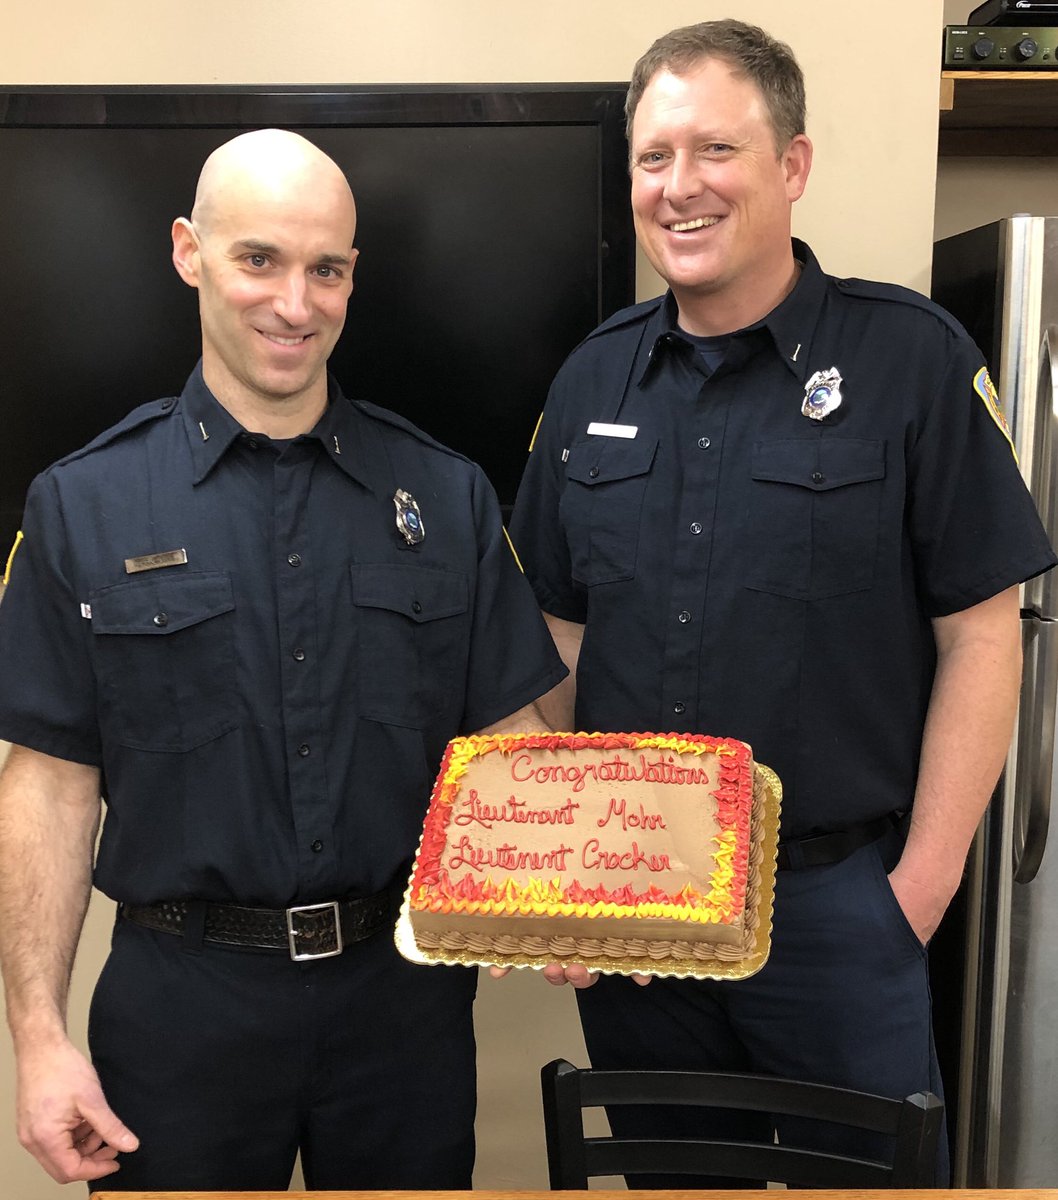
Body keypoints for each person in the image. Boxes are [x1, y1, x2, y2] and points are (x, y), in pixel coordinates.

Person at [508, 18, 1057, 1184]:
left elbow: (979, 632)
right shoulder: (590, 377)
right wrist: (563, 874)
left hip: (836, 910)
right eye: (652, 158)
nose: (678, 187)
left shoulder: (908, 360)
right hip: (643, 919)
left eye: (714, 150)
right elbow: (552, 636)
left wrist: (918, 886)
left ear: (790, 166)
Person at [0, 128, 566, 1191]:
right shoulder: (80, 504)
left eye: (327, 269)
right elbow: (51, 790)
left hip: (399, 1004)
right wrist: (38, 1040)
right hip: (182, 1008)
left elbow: (509, 749)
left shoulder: (445, 498)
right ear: (188, 252)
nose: (294, 305)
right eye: (259, 259)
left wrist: (574, 895)